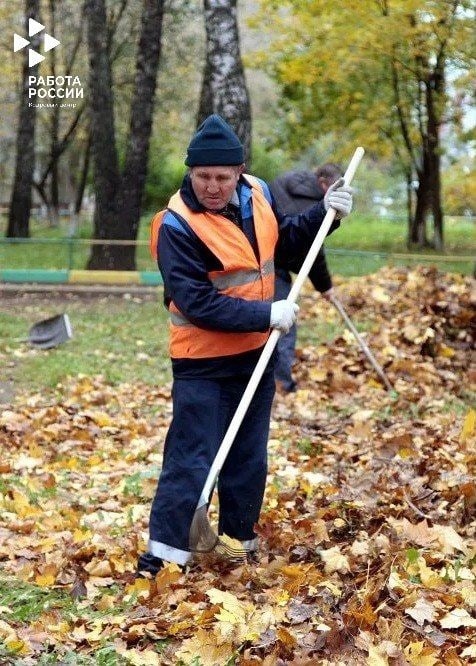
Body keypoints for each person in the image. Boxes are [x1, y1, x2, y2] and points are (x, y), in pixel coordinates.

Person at [138, 114, 352, 576]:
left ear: (238, 172)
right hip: (202, 363)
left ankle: (239, 542)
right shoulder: (175, 225)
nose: (212, 187)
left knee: (249, 457)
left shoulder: (257, 194)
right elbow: (196, 302)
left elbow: (288, 245)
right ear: (190, 173)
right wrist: (266, 313)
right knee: (192, 458)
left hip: (256, 356)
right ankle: (163, 559)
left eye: (221, 177)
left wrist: (324, 215)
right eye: (203, 177)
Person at [269, 163, 343, 392]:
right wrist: (325, 286)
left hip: (259, 259)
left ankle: (270, 378)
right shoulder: (311, 204)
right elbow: (313, 249)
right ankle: (282, 383)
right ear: (323, 183)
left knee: (265, 322)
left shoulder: (283, 181)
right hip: (272, 266)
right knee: (283, 324)